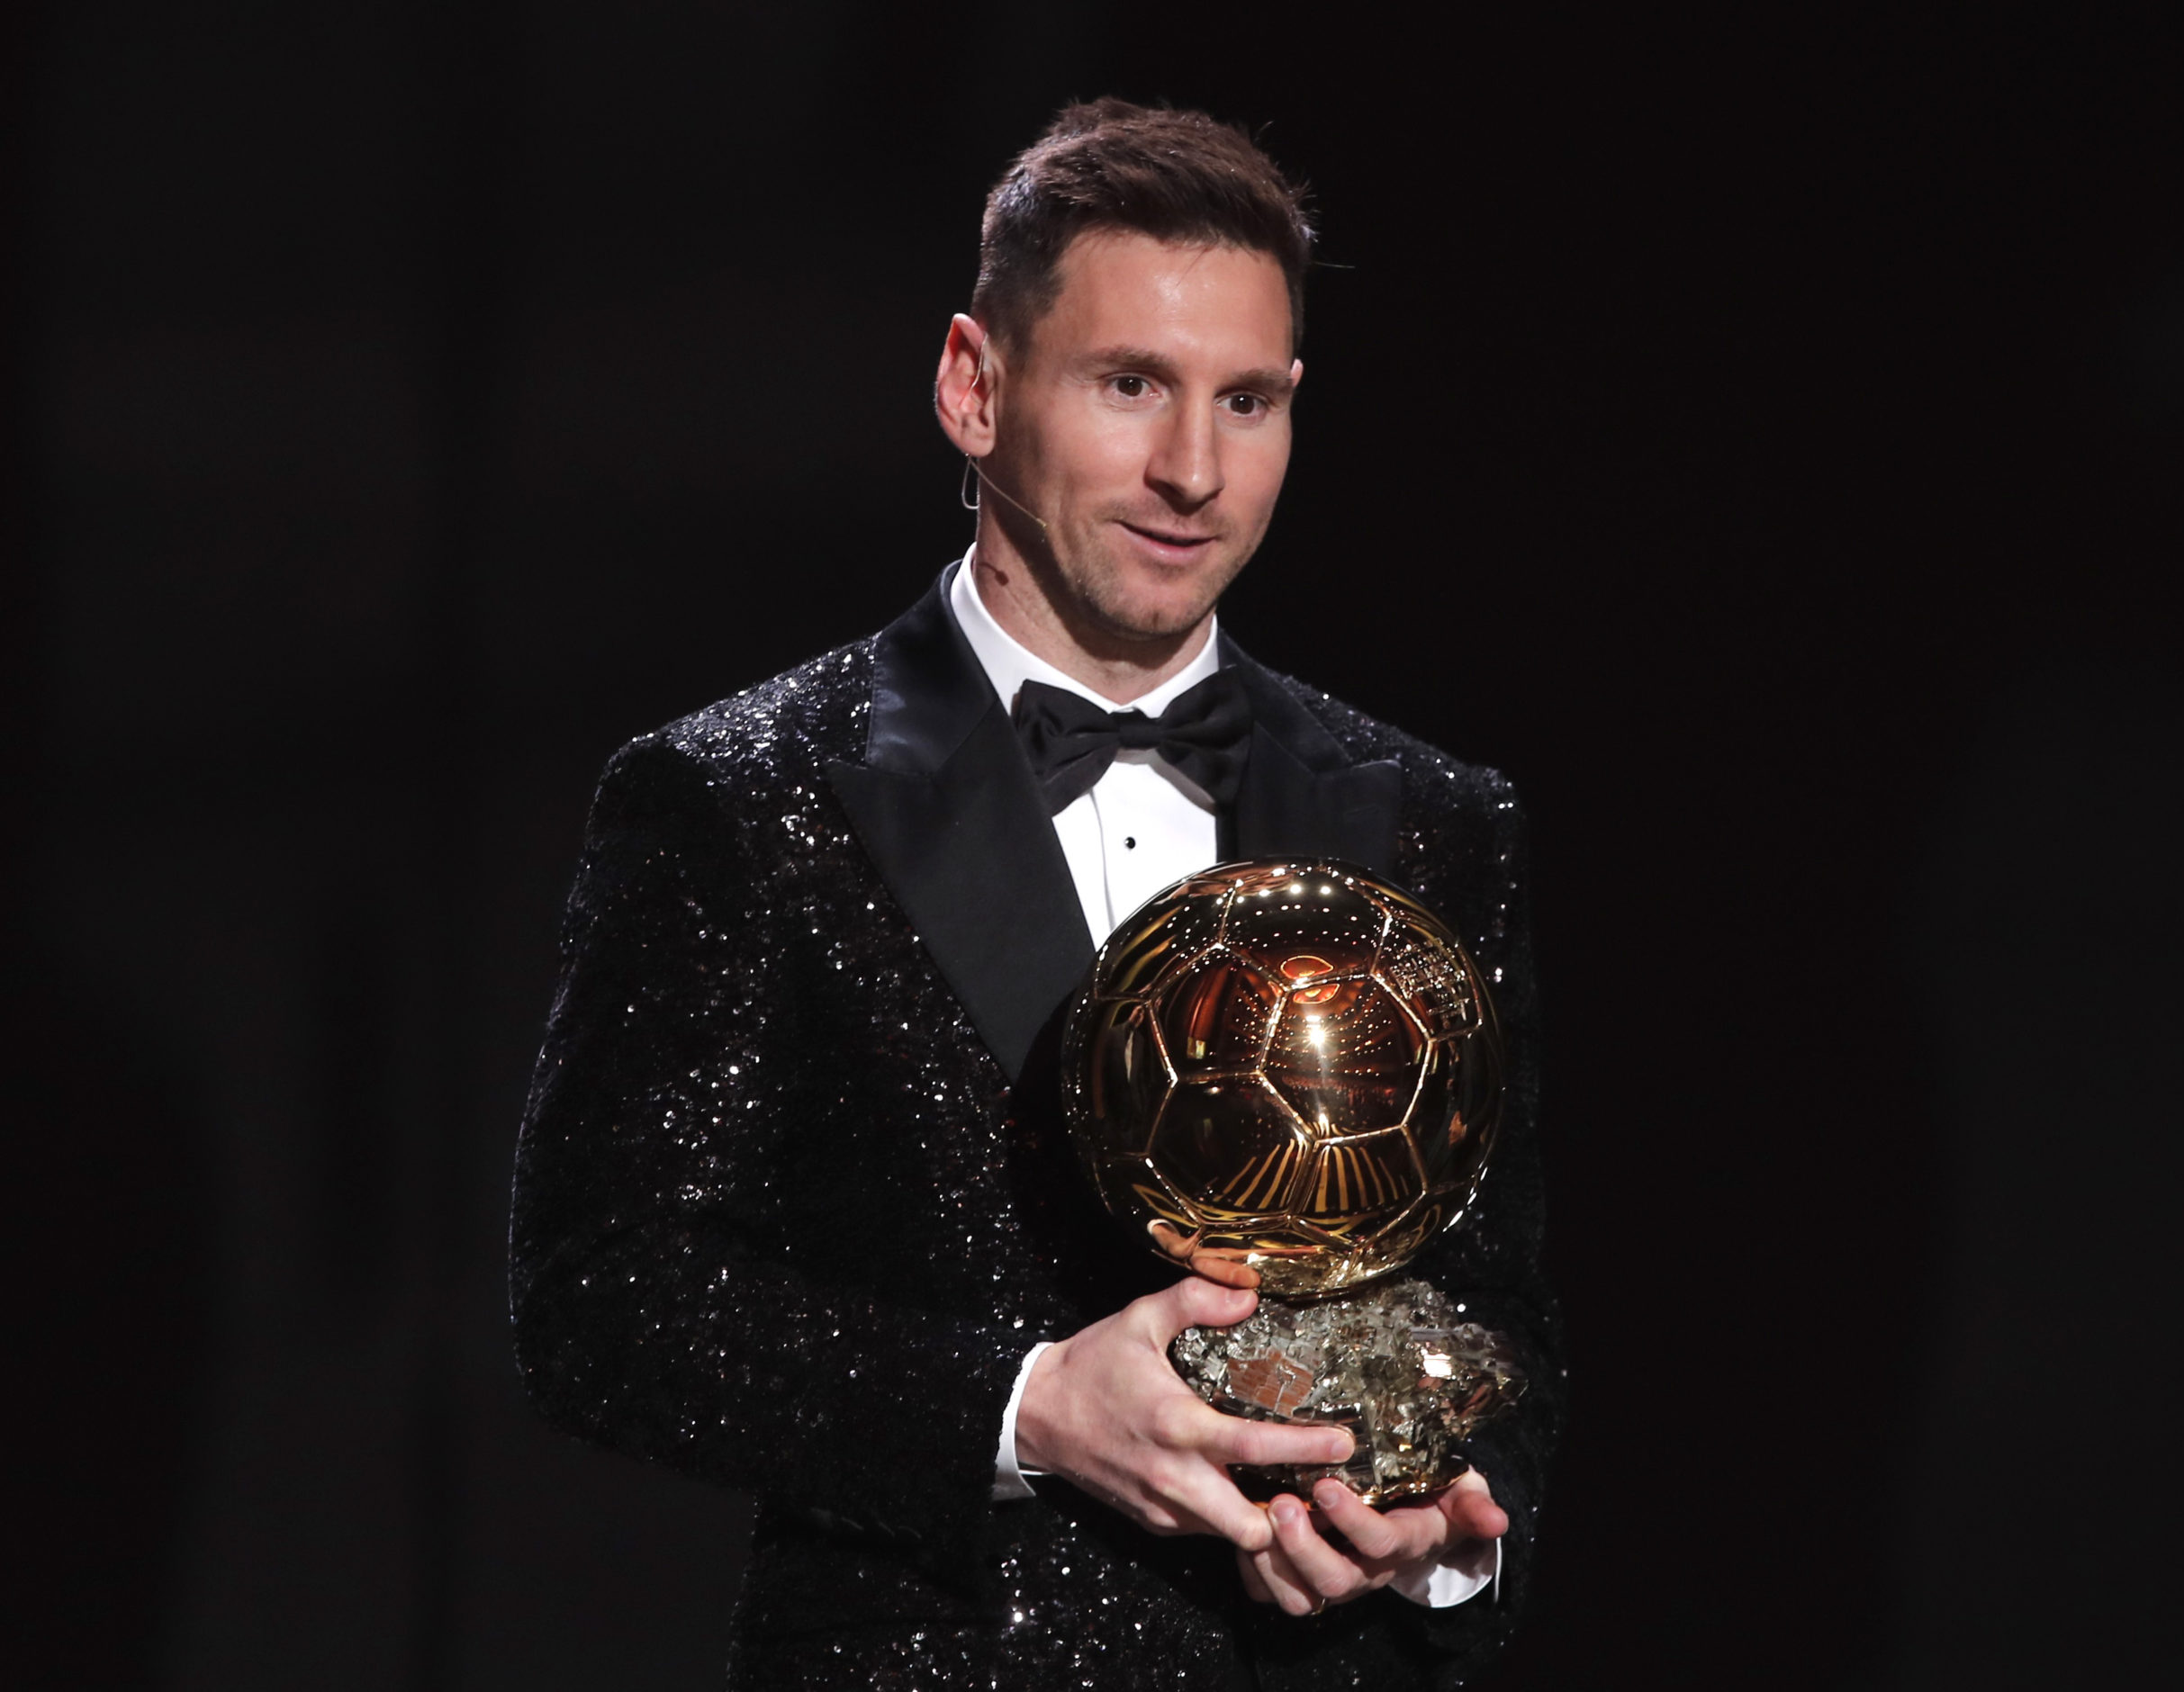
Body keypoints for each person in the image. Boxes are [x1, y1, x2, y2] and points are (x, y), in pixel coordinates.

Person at [510, 98, 1562, 1690]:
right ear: (973, 386)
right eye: (1129, 385)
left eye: (1250, 400)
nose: (1194, 469)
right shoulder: (738, 797)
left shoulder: (1428, 819)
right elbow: (604, 1297)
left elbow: (1503, 1321)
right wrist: (1021, 1413)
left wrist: (1441, 1542)